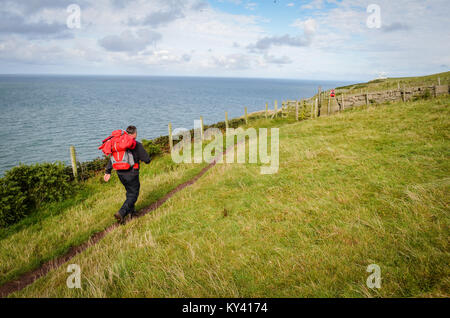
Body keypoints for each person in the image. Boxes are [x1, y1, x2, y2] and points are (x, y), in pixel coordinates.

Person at [104, 125, 151, 224]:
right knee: (134, 194)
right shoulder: (136, 144)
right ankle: (121, 213)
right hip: (132, 173)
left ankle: (132, 213)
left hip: (120, 173)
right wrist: (146, 160)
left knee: (129, 192)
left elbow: (112, 158)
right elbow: (147, 159)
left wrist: (108, 171)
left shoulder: (118, 144)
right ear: (135, 133)